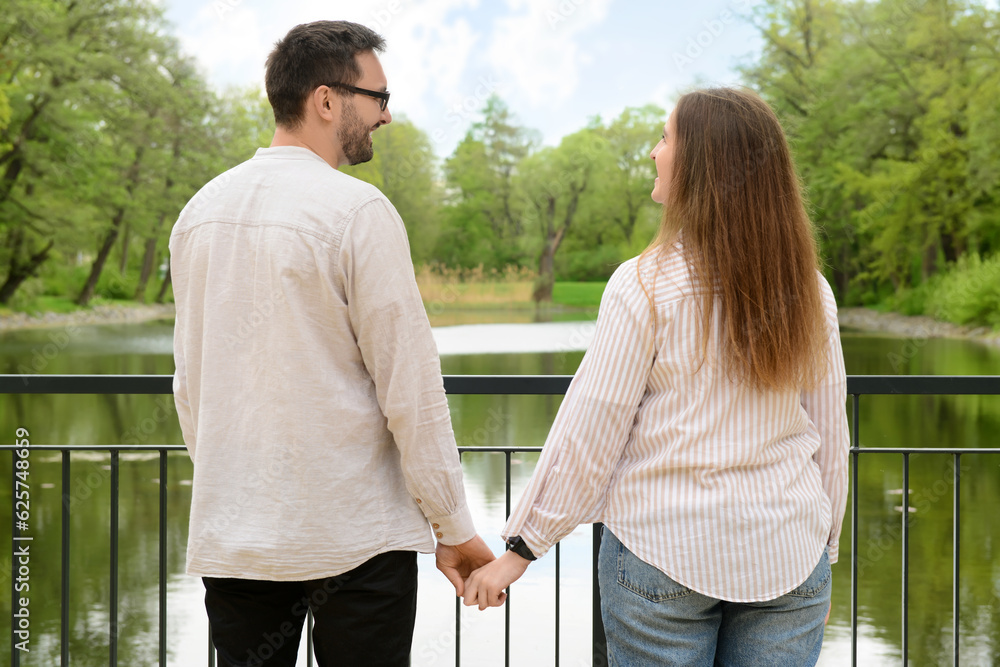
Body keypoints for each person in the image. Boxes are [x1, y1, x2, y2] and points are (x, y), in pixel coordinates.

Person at [463, 87, 849, 667]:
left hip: (662, 552)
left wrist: (521, 548)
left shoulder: (644, 285)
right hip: (787, 556)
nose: (652, 152)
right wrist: (824, 550)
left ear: (702, 165)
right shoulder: (809, 291)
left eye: (666, 138)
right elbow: (831, 437)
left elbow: (592, 430)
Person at [170, 20, 495, 667]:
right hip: (357, 540)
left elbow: (190, 382)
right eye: (377, 97)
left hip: (236, 536)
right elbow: (411, 389)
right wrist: (454, 527)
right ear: (326, 99)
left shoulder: (198, 213)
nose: (387, 115)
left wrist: (229, 483)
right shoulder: (357, 212)